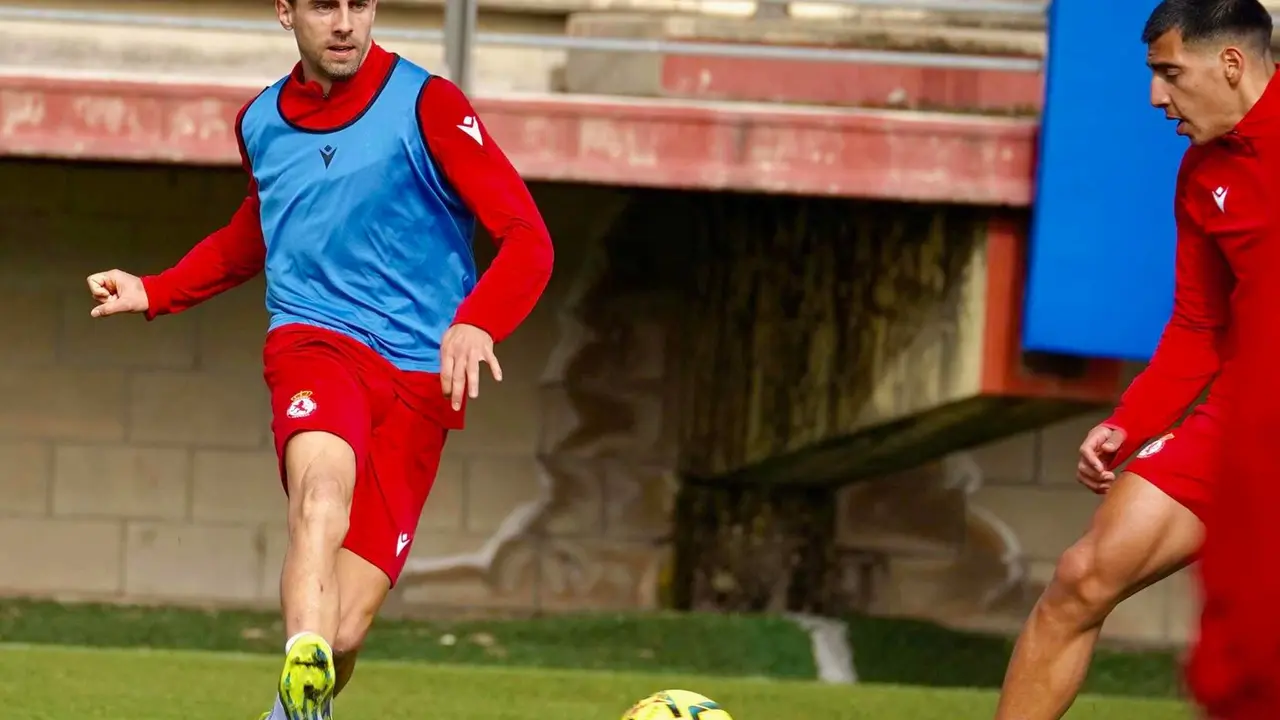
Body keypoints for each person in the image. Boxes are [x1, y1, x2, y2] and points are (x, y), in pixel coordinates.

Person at [84, 1, 554, 719]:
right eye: (323, 5)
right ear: (286, 11)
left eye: (359, 4)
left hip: (423, 378)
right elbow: (260, 230)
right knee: (321, 494)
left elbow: (528, 237)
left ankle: (303, 695)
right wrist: (157, 290)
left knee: (348, 629)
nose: (344, 23)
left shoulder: (428, 104)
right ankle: (301, 653)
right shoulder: (262, 121)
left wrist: (477, 324)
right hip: (316, 341)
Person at [993, 1, 1277, 718]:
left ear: (1232, 64)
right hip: (1244, 414)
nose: (1157, 97)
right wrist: (1130, 422)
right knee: (1083, 577)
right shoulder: (1201, 173)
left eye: (1170, 74)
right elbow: (1199, 324)